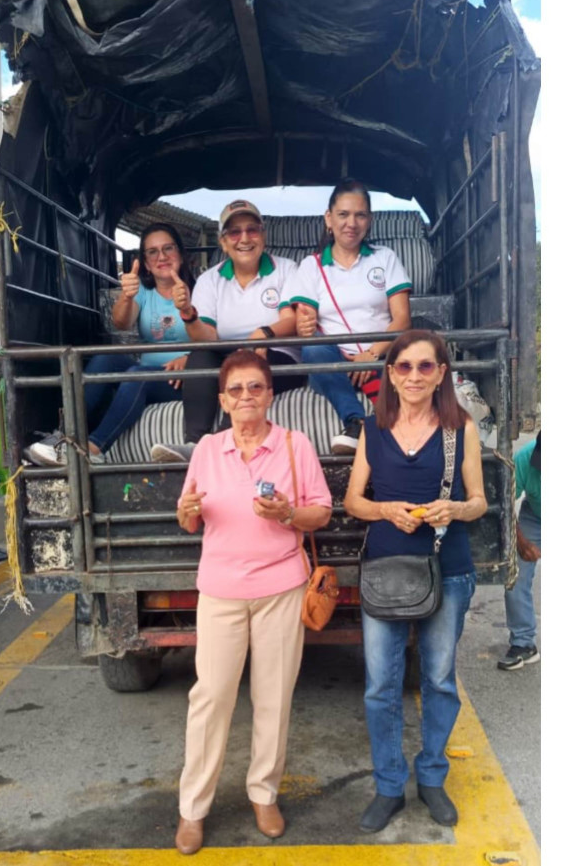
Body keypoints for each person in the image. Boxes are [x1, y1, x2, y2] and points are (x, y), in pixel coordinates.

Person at [173, 350, 332, 855]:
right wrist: (186, 512)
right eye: (236, 390)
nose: (246, 397)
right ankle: (193, 809)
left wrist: (288, 513)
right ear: (222, 399)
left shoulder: (294, 444)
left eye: (255, 388)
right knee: (211, 698)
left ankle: (263, 794)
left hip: (281, 590)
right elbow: (190, 519)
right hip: (219, 590)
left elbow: (321, 513)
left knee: (273, 697)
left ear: (270, 394)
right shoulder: (206, 450)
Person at [343, 329, 487, 832]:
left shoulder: (459, 428)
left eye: (426, 367)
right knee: (380, 686)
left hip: (447, 570)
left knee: (440, 681)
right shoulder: (372, 428)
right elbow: (353, 500)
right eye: (404, 367)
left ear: (441, 374)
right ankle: (389, 786)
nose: (414, 376)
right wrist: (383, 509)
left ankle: (431, 777)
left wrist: (456, 507)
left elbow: (479, 501)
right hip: (385, 568)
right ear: (390, 373)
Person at [24, 223, 194, 466]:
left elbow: (214, 336)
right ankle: (62, 435)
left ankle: (95, 448)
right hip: (150, 370)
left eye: (168, 248)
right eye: (153, 252)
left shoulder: (202, 289)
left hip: (186, 376)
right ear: (145, 263)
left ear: (181, 253)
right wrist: (127, 295)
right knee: (105, 359)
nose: (162, 257)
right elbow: (121, 323)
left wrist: (190, 359)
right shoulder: (144, 292)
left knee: (136, 376)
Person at [151, 199, 305, 463]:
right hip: (231, 356)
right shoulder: (210, 279)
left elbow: (291, 320)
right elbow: (206, 337)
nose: (244, 238)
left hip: (276, 355)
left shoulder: (287, 268)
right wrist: (188, 314)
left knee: (244, 366)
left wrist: (264, 334)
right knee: (200, 357)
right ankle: (195, 444)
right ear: (223, 242)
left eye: (252, 230)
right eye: (234, 232)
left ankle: (219, 447)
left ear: (263, 236)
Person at [291, 179, 413, 455]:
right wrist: (304, 324)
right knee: (314, 349)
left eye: (360, 215)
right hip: (333, 360)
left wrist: (372, 354)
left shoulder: (385, 258)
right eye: (343, 214)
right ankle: (356, 421)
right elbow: (306, 325)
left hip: (381, 354)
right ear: (329, 219)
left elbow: (402, 319)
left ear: (369, 220)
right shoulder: (312, 266)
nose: (351, 223)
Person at [498, 430, 541, 670]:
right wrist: (522, 542)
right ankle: (524, 643)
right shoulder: (526, 458)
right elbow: (506, 505)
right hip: (535, 516)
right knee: (515, 575)